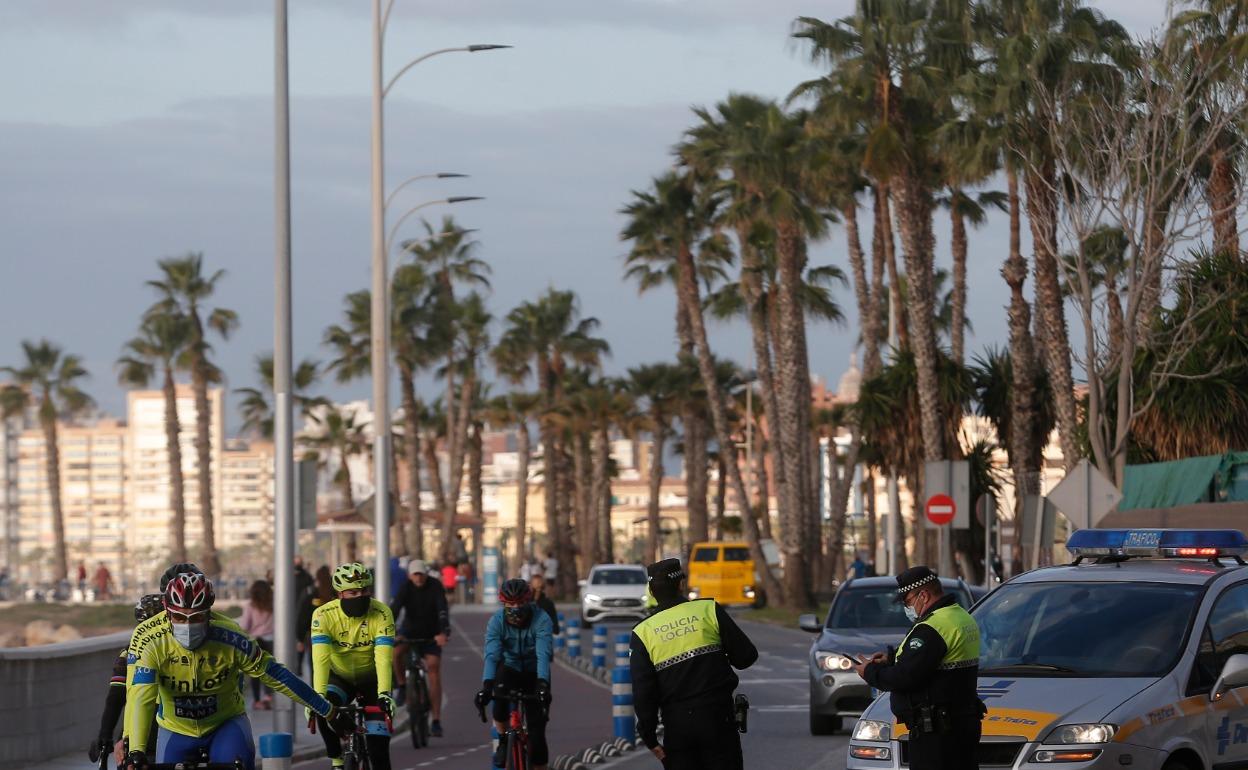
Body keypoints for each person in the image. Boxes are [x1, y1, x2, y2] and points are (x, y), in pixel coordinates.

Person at [121, 566, 347, 770]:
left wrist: (328, 710)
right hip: (175, 728)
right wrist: (136, 750)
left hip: (224, 724)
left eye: (197, 617)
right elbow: (140, 697)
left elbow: (277, 675)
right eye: (179, 618)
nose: (188, 625)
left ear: (209, 613)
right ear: (167, 612)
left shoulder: (232, 637)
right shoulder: (149, 640)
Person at [851, 566, 984, 770]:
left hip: (936, 734)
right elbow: (934, 659)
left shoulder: (932, 627)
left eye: (907, 601)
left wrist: (869, 672)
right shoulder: (960, 616)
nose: (906, 607)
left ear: (923, 595)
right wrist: (891, 658)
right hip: (962, 723)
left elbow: (905, 677)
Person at [630, 558, 757, 770]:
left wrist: (649, 737)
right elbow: (747, 657)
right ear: (681, 584)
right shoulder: (708, 610)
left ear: (651, 592)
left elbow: (643, 692)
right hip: (718, 719)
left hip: (677, 728)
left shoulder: (642, 632)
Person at [310, 562, 397, 770]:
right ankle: (337, 760)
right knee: (322, 707)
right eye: (353, 592)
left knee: (379, 755)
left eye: (365, 591)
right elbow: (320, 660)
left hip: (372, 679)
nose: (360, 596)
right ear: (340, 594)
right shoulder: (323, 615)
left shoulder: (382, 613)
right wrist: (317, 695)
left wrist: (385, 693)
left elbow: (384, 658)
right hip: (340, 677)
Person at [475, 578, 553, 770]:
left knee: (537, 733)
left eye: (520, 603)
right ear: (504, 603)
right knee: (499, 704)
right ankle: (502, 740)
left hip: (534, 671)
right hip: (509, 667)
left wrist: (543, 684)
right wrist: (486, 686)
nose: (515, 607)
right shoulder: (496, 622)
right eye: (511, 604)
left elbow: (543, 654)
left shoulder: (542, 619)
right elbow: (492, 656)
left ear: (528, 601)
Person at [87, 592, 164, 767]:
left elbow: (116, 697)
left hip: (139, 732)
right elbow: (116, 696)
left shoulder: (130, 652)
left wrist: (105, 735)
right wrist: (105, 736)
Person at [389, 559, 451, 737]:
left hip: (432, 633)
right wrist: (388, 629)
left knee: (433, 668)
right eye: (415, 574)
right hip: (409, 631)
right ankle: (401, 686)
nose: (418, 578)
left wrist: (444, 632)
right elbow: (395, 608)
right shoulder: (405, 587)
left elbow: (442, 609)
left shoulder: (435, 586)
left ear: (426, 574)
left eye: (421, 574)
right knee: (396, 652)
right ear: (410, 575)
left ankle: (436, 720)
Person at [239, 579, 276, 710]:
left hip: (255, 642)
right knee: (269, 670)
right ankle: (268, 696)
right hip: (271, 640)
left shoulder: (250, 606)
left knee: (255, 671)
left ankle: (257, 700)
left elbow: (244, 626)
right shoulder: (273, 605)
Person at [298, 565, 335, 678]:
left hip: (315, 638)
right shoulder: (335, 596)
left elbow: (302, 619)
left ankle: (317, 692)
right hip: (335, 636)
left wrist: (300, 639)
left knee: (316, 667)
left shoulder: (311, 597)